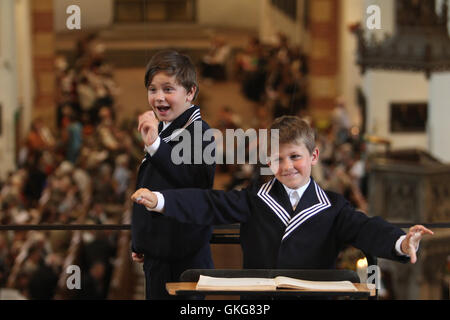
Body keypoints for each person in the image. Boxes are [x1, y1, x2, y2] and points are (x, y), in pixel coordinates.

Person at [132, 116, 433, 272]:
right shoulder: (255, 198)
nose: (287, 167)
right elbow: (209, 203)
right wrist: (160, 199)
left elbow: (365, 228)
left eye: (294, 157)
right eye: (277, 159)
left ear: (313, 156)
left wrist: (401, 242)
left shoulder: (333, 207)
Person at [131, 50, 216, 299]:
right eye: (153, 89)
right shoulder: (165, 130)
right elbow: (150, 186)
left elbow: (195, 182)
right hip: (157, 256)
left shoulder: (200, 133)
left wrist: (156, 145)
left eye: (168, 89)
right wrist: (140, 241)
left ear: (190, 92)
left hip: (184, 263)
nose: (159, 97)